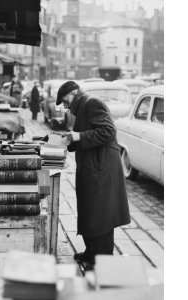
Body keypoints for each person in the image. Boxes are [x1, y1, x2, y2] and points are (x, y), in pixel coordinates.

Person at [56, 81, 130, 269]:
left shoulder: (91, 103)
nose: (65, 106)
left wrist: (78, 136)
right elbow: (87, 134)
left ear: (74, 93)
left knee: (101, 215)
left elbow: (107, 131)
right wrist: (68, 140)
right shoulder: (82, 107)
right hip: (93, 167)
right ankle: (91, 253)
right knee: (90, 212)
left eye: (65, 101)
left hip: (102, 168)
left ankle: (102, 261)